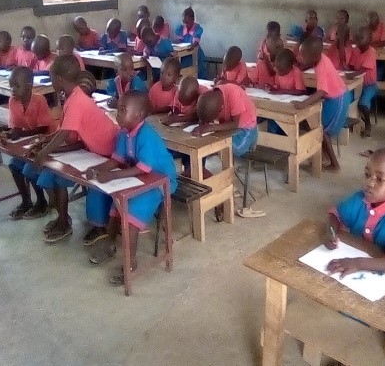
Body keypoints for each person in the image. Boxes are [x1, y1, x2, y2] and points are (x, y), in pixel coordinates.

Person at [86, 91, 177, 284]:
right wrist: (96, 169)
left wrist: (112, 175)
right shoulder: (124, 132)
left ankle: (131, 262)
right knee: (116, 203)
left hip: (161, 182)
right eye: (118, 108)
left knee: (131, 211)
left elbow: (143, 167)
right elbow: (116, 159)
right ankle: (111, 245)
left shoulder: (146, 135)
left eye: (123, 110)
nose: (117, 114)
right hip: (142, 179)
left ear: (139, 115)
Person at [31, 55, 119, 244]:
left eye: (52, 77)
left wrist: (43, 153)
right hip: (93, 150)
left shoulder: (77, 100)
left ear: (60, 80)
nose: (51, 81)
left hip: (110, 152)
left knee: (77, 178)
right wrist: (45, 143)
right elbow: (65, 133)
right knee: (53, 174)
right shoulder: (72, 98)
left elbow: (64, 135)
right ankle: (63, 219)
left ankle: (94, 225)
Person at [323, 148, 385, 276]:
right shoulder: (359, 199)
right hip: (354, 264)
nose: (369, 183)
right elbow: (335, 215)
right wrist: (329, 232)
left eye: (380, 179)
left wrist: (358, 264)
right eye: (367, 174)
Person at [293, 36, 351, 172]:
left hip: (338, 99)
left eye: (303, 55)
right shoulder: (320, 58)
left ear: (313, 56)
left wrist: (304, 104)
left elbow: (321, 91)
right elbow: (311, 62)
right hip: (334, 97)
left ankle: (335, 164)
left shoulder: (321, 67)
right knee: (319, 127)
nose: (300, 57)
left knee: (322, 131)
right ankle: (323, 157)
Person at [4, 66, 53, 220]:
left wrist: (21, 133)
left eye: (16, 86)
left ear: (29, 85)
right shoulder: (13, 101)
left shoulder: (39, 100)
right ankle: (26, 201)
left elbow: (44, 128)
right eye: (11, 85)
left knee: (28, 168)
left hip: (47, 143)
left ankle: (41, 202)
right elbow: (15, 126)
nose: (13, 89)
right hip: (29, 144)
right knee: (13, 164)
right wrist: (11, 133)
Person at [194, 84, 258, 156]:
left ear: (220, 110)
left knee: (233, 149)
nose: (209, 122)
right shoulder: (211, 95)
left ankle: (252, 139)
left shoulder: (233, 93)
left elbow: (235, 123)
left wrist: (210, 127)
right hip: (228, 125)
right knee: (213, 142)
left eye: (210, 120)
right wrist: (203, 123)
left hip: (245, 126)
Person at [346, 27, 377, 138]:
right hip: (356, 84)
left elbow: (363, 70)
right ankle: (347, 124)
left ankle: (368, 125)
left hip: (369, 85)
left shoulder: (371, 51)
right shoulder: (356, 50)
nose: (358, 40)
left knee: (362, 104)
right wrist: (346, 68)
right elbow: (352, 66)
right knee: (345, 99)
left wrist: (352, 74)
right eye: (357, 37)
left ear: (369, 39)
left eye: (361, 38)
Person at [174, 7, 207, 79]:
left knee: (198, 72)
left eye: (187, 22)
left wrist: (192, 45)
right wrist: (175, 44)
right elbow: (179, 41)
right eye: (184, 22)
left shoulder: (197, 29)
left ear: (193, 20)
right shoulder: (181, 29)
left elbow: (195, 42)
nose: (185, 25)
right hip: (183, 54)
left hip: (194, 54)